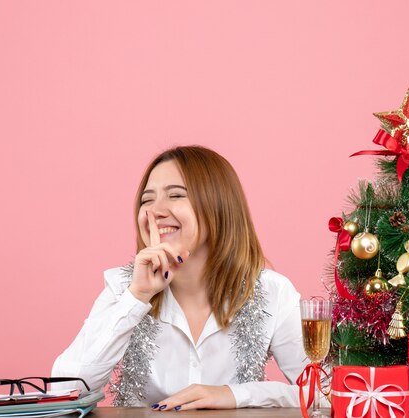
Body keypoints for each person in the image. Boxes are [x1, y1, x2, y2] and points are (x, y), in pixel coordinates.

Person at [51, 145, 308, 411]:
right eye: (146, 200)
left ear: (218, 205)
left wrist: (235, 395)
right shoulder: (123, 287)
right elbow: (64, 390)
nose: (155, 211)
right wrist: (137, 297)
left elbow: (326, 391)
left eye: (175, 195)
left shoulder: (272, 292)